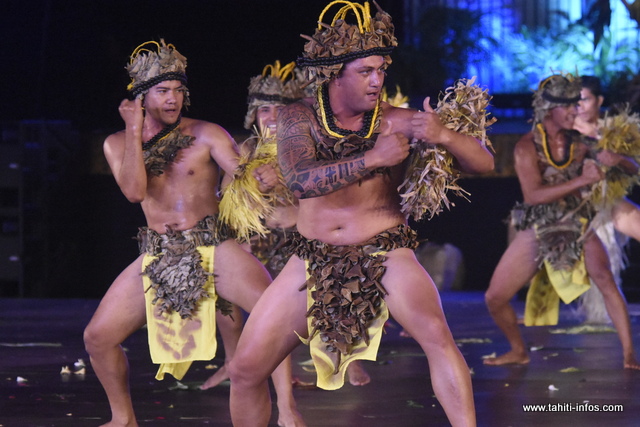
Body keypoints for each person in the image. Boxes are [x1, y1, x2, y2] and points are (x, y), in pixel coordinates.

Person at [228, 2, 494, 426]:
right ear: (335, 74)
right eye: (365, 71)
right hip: (312, 258)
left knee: (437, 337)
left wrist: (443, 134)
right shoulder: (298, 117)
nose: (377, 80)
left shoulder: (396, 121)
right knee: (245, 370)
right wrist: (373, 158)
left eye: (381, 69)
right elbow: (300, 179)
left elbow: (484, 163)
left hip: (385, 251)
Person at [82, 40, 304, 427]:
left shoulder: (206, 133)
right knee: (97, 337)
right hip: (160, 251)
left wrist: (263, 177)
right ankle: (123, 419)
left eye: (178, 90)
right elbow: (134, 191)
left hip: (214, 245)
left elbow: (242, 172)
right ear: (140, 97)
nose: (173, 99)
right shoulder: (117, 143)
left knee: (273, 317)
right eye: (162, 91)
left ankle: (287, 408)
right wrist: (133, 130)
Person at [203, 60, 372, 390]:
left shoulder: (305, 145)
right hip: (261, 240)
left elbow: (329, 194)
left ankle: (349, 357)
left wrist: (287, 185)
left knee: (333, 284)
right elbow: (229, 202)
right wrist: (250, 194)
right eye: (264, 110)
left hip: (301, 238)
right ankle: (232, 361)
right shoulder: (246, 150)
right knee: (223, 287)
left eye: (280, 110)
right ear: (253, 115)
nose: (272, 117)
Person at [483, 73, 640, 370]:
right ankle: (518, 350)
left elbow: (633, 167)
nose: (574, 110)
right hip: (540, 226)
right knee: (494, 297)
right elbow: (533, 196)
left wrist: (618, 159)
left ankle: (630, 354)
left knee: (605, 278)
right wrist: (581, 180)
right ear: (548, 108)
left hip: (576, 220)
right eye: (568, 105)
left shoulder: (579, 142)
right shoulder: (526, 147)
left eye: (576, 104)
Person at [573, 75, 640, 323]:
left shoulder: (614, 129)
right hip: (576, 206)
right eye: (574, 101)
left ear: (599, 100)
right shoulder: (565, 130)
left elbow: (634, 167)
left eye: (585, 99)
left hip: (609, 201)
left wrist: (618, 158)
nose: (579, 106)